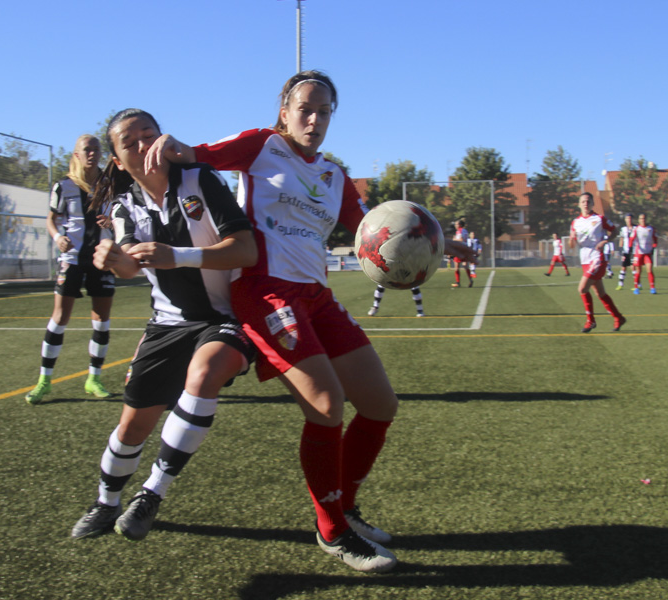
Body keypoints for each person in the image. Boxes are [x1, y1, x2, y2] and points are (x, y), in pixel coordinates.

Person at [145, 70, 474, 573]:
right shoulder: (260, 146)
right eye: (306, 109)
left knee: (380, 405)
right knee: (325, 403)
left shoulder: (334, 176)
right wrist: (171, 144)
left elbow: (376, 226)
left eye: (325, 112)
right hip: (264, 291)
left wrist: (436, 241)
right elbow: (198, 154)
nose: (315, 119)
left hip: (316, 296)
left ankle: (347, 506)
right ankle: (332, 529)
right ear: (284, 112)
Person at [68, 109, 258, 542]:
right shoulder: (123, 207)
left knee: (206, 372)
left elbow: (245, 250)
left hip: (225, 318)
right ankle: (106, 501)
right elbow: (131, 264)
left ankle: (152, 492)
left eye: (148, 136)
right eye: (129, 143)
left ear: (164, 140)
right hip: (166, 325)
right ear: (117, 160)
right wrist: (113, 260)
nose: (142, 146)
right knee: (131, 427)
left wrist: (179, 255)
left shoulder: (201, 179)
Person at [25, 134, 116, 404]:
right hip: (73, 258)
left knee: (102, 320)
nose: (92, 153)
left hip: (102, 258)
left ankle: (94, 379)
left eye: (96, 149)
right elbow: (51, 220)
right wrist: (57, 238)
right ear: (76, 154)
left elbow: (124, 214)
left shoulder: (110, 184)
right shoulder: (63, 186)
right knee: (59, 318)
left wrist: (112, 223)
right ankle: (44, 380)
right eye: (87, 150)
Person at [569, 192, 626, 333]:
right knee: (600, 292)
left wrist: (605, 241)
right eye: (583, 201)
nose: (585, 203)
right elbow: (572, 244)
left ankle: (591, 321)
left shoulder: (599, 219)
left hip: (597, 257)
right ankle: (618, 317)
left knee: (582, 289)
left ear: (593, 203)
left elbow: (615, 231)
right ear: (579, 204)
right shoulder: (576, 222)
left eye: (588, 201)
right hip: (585, 259)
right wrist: (571, 240)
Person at [629, 213, 658, 294]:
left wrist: (653, 247)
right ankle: (636, 288)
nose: (643, 220)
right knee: (638, 271)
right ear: (639, 220)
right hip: (639, 253)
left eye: (644, 218)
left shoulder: (651, 229)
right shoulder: (636, 229)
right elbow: (631, 239)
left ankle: (652, 288)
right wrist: (630, 249)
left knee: (649, 270)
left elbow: (655, 239)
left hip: (647, 253)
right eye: (641, 218)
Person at [615, 213, 635, 290]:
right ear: (625, 220)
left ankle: (637, 284)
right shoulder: (623, 229)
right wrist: (620, 250)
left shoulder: (636, 228)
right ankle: (620, 284)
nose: (629, 220)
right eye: (627, 218)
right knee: (623, 267)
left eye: (630, 218)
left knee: (633, 267)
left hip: (633, 251)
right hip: (626, 251)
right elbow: (621, 239)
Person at [451, 219, 473, 287]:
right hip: (464, 249)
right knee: (465, 265)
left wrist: (454, 239)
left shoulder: (459, 231)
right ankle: (470, 280)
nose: (455, 225)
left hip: (460, 250)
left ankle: (457, 282)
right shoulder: (465, 230)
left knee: (456, 266)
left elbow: (460, 240)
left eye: (456, 224)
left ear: (459, 225)